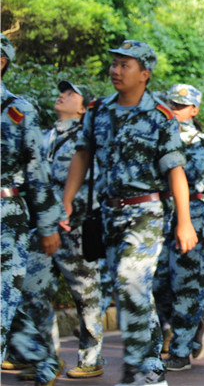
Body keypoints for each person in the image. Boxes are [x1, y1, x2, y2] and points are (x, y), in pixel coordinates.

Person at [62, 40, 198, 386]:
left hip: (146, 213)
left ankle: (139, 372)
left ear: (144, 74)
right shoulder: (98, 110)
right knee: (131, 291)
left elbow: (175, 170)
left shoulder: (160, 116)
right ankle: (150, 367)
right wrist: (67, 200)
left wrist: (184, 222)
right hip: (108, 214)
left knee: (129, 281)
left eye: (125, 65)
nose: (116, 70)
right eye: (114, 64)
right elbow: (82, 154)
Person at [7, 79, 106, 382]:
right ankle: (46, 358)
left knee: (85, 295)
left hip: (75, 229)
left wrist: (74, 213)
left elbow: (97, 183)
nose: (62, 96)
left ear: (83, 108)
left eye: (71, 93)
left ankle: (91, 358)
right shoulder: (44, 136)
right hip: (44, 229)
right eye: (62, 91)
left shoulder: (88, 140)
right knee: (32, 291)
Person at [1, 34, 63, 386]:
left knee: (3, 298)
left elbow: (36, 172)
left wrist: (47, 225)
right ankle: (41, 355)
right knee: (6, 301)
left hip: (6, 217)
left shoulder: (17, 111)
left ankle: (41, 356)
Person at [153, 84, 204, 372]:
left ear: (194, 110)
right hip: (160, 213)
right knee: (157, 284)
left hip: (192, 212)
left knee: (186, 284)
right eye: (171, 105)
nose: (174, 110)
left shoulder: (199, 141)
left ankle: (181, 349)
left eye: (180, 106)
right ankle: (193, 325)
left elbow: (188, 174)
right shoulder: (156, 133)